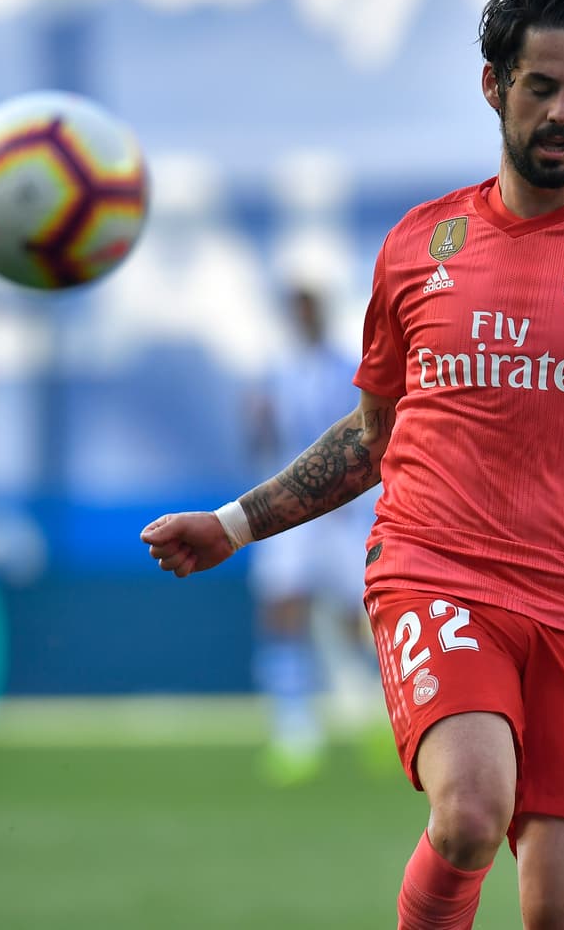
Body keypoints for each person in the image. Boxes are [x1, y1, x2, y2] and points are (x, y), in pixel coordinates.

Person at [143, 0, 564, 930]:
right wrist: (237, 523)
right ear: (494, 86)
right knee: (473, 808)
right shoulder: (419, 245)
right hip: (439, 572)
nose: (562, 112)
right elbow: (375, 437)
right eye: (540, 87)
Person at [243, 283, 382, 785]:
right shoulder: (275, 374)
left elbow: (371, 431)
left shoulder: (349, 368)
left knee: (353, 618)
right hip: (286, 513)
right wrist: (255, 422)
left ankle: (371, 710)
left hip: (341, 513)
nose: (305, 317)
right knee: (283, 608)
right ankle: (294, 731)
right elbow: (258, 441)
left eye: (311, 307)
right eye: (298, 309)